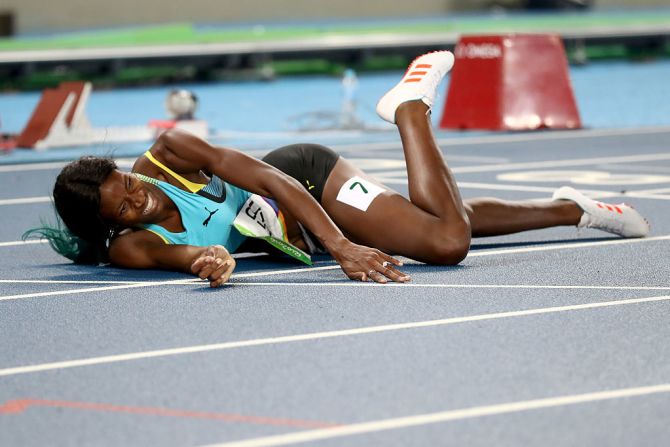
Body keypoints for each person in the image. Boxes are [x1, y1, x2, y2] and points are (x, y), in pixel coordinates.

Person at [26, 51, 650, 287]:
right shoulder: (133, 247)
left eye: (130, 186)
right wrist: (207, 261)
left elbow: (272, 181)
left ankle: (408, 109)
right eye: (126, 208)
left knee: (445, 240)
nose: (141, 199)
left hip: (306, 177)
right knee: (429, 221)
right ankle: (576, 207)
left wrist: (343, 245)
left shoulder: (168, 155)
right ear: (111, 228)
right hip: (300, 231)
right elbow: (182, 259)